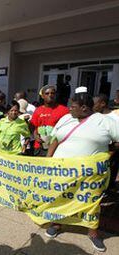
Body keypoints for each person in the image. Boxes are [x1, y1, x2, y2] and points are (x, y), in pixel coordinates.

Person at [46, 88, 119, 252]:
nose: (69, 109)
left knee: (91, 203)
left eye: (73, 106)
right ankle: (56, 223)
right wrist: (47, 160)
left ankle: (93, 233)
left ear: (84, 108)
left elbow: (117, 141)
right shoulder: (66, 118)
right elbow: (55, 139)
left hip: (90, 176)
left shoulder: (105, 121)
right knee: (60, 197)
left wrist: (107, 155)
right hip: (61, 171)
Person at [30, 85, 69, 156]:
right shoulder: (38, 110)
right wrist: (35, 135)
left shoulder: (64, 110)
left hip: (57, 147)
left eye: (52, 93)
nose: (50, 95)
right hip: (40, 147)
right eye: (47, 93)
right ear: (42, 96)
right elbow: (33, 126)